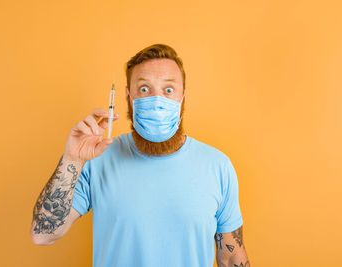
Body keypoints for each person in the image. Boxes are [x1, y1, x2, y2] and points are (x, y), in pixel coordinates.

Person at [30, 43, 250, 267]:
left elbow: (232, 255)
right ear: (127, 97)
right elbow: (43, 234)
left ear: (183, 97)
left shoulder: (217, 166)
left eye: (168, 90)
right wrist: (72, 159)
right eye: (144, 89)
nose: (156, 100)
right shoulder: (97, 160)